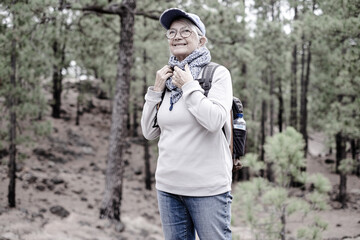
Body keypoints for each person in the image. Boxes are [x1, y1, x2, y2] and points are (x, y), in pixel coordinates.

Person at [141, 8, 233, 240]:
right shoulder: (167, 77)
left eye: (185, 31)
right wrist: (156, 91)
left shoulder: (217, 74)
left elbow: (214, 121)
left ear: (201, 40)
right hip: (168, 187)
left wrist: (189, 86)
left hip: (207, 189)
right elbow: (149, 131)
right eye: (171, 33)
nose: (177, 37)